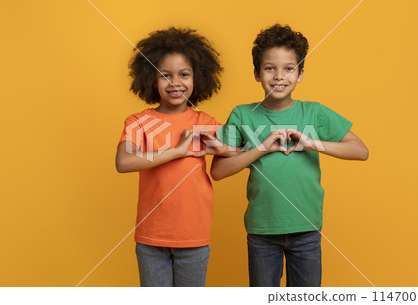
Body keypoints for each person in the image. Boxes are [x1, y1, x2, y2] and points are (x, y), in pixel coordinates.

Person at [211, 24, 369, 287]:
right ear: (256, 73)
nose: (279, 76)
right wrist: (261, 147)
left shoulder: (314, 113)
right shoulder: (242, 114)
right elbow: (218, 171)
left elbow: (360, 151)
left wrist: (311, 143)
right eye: (269, 68)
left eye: (289, 69)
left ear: (301, 74)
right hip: (262, 230)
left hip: (306, 228)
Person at [115, 27, 228, 287]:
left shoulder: (205, 122)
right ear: (152, 80)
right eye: (165, 75)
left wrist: (222, 148)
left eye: (184, 74)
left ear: (197, 78)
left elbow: (237, 150)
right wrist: (178, 151)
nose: (175, 82)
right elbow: (123, 162)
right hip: (151, 238)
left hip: (193, 237)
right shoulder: (139, 122)